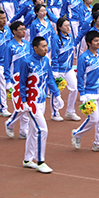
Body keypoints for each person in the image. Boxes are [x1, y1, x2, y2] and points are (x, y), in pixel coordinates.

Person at [20, 36, 64, 174]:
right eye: (43, 46)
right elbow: (22, 83)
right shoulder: (27, 63)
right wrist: (24, 101)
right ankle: (40, 161)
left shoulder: (45, 61)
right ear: (35, 48)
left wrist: (57, 94)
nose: (46, 49)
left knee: (33, 131)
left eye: (46, 46)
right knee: (42, 129)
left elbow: (50, 78)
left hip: (42, 101)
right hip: (32, 103)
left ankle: (27, 159)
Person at [71, 30, 99, 153]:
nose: (98, 43)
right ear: (89, 43)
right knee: (94, 119)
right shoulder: (83, 58)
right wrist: (82, 94)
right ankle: (77, 134)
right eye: (95, 41)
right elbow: (80, 77)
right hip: (89, 93)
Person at [4, 21, 30, 139]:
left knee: (27, 105)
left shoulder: (27, 44)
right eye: (21, 29)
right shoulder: (10, 46)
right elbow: (7, 64)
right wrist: (8, 81)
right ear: (14, 31)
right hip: (16, 79)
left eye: (24, 29)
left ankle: (23, 131)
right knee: (21, 105)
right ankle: (10, 123)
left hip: (27, 78)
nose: (24, 31)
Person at [50, 17, 80, 121]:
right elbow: (54, 55)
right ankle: (55, 113)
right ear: (59, 27)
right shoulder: (56, 38)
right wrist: (55, 70)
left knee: (74, 88)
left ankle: (70, 111)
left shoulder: (70, 37)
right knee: (57, 91)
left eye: (68, 25)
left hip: (69, 69)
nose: (68, 27)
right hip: (59, 70)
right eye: (66, 26)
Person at [0, 10, 11, 117]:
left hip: (8, 62)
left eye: (5, 18)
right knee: (2, 86)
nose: (4, 20)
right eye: (1, 18)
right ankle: (3, 108)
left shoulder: (7, 30)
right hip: (0, 64)